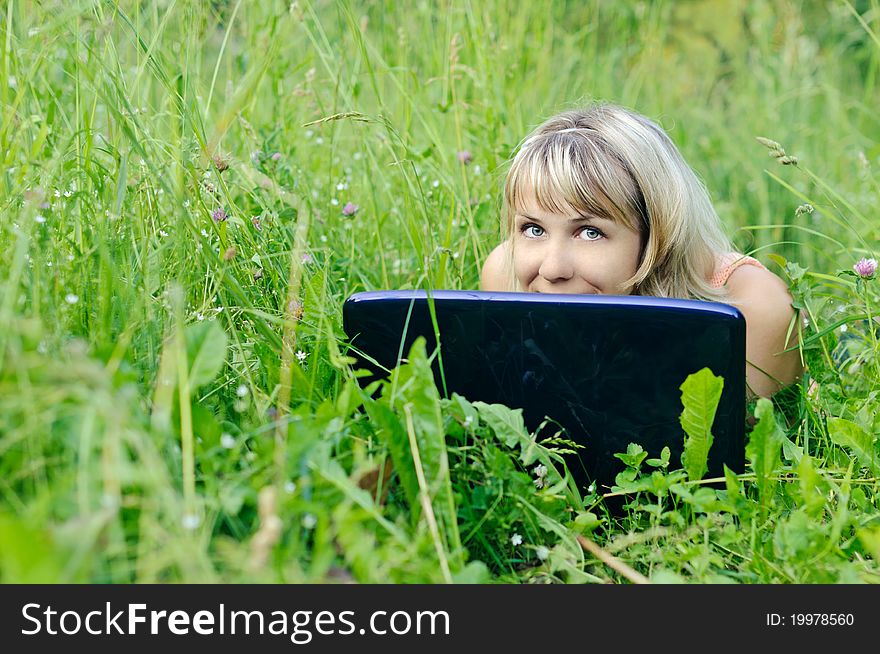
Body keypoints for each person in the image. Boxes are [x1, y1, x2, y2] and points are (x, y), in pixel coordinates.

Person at [480, 103, 803, 398]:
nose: (551, 269)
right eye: (534, 229)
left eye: (590, 232)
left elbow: (750, 454)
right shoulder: (506, 277)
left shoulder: (755, 313)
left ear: (656, 235)